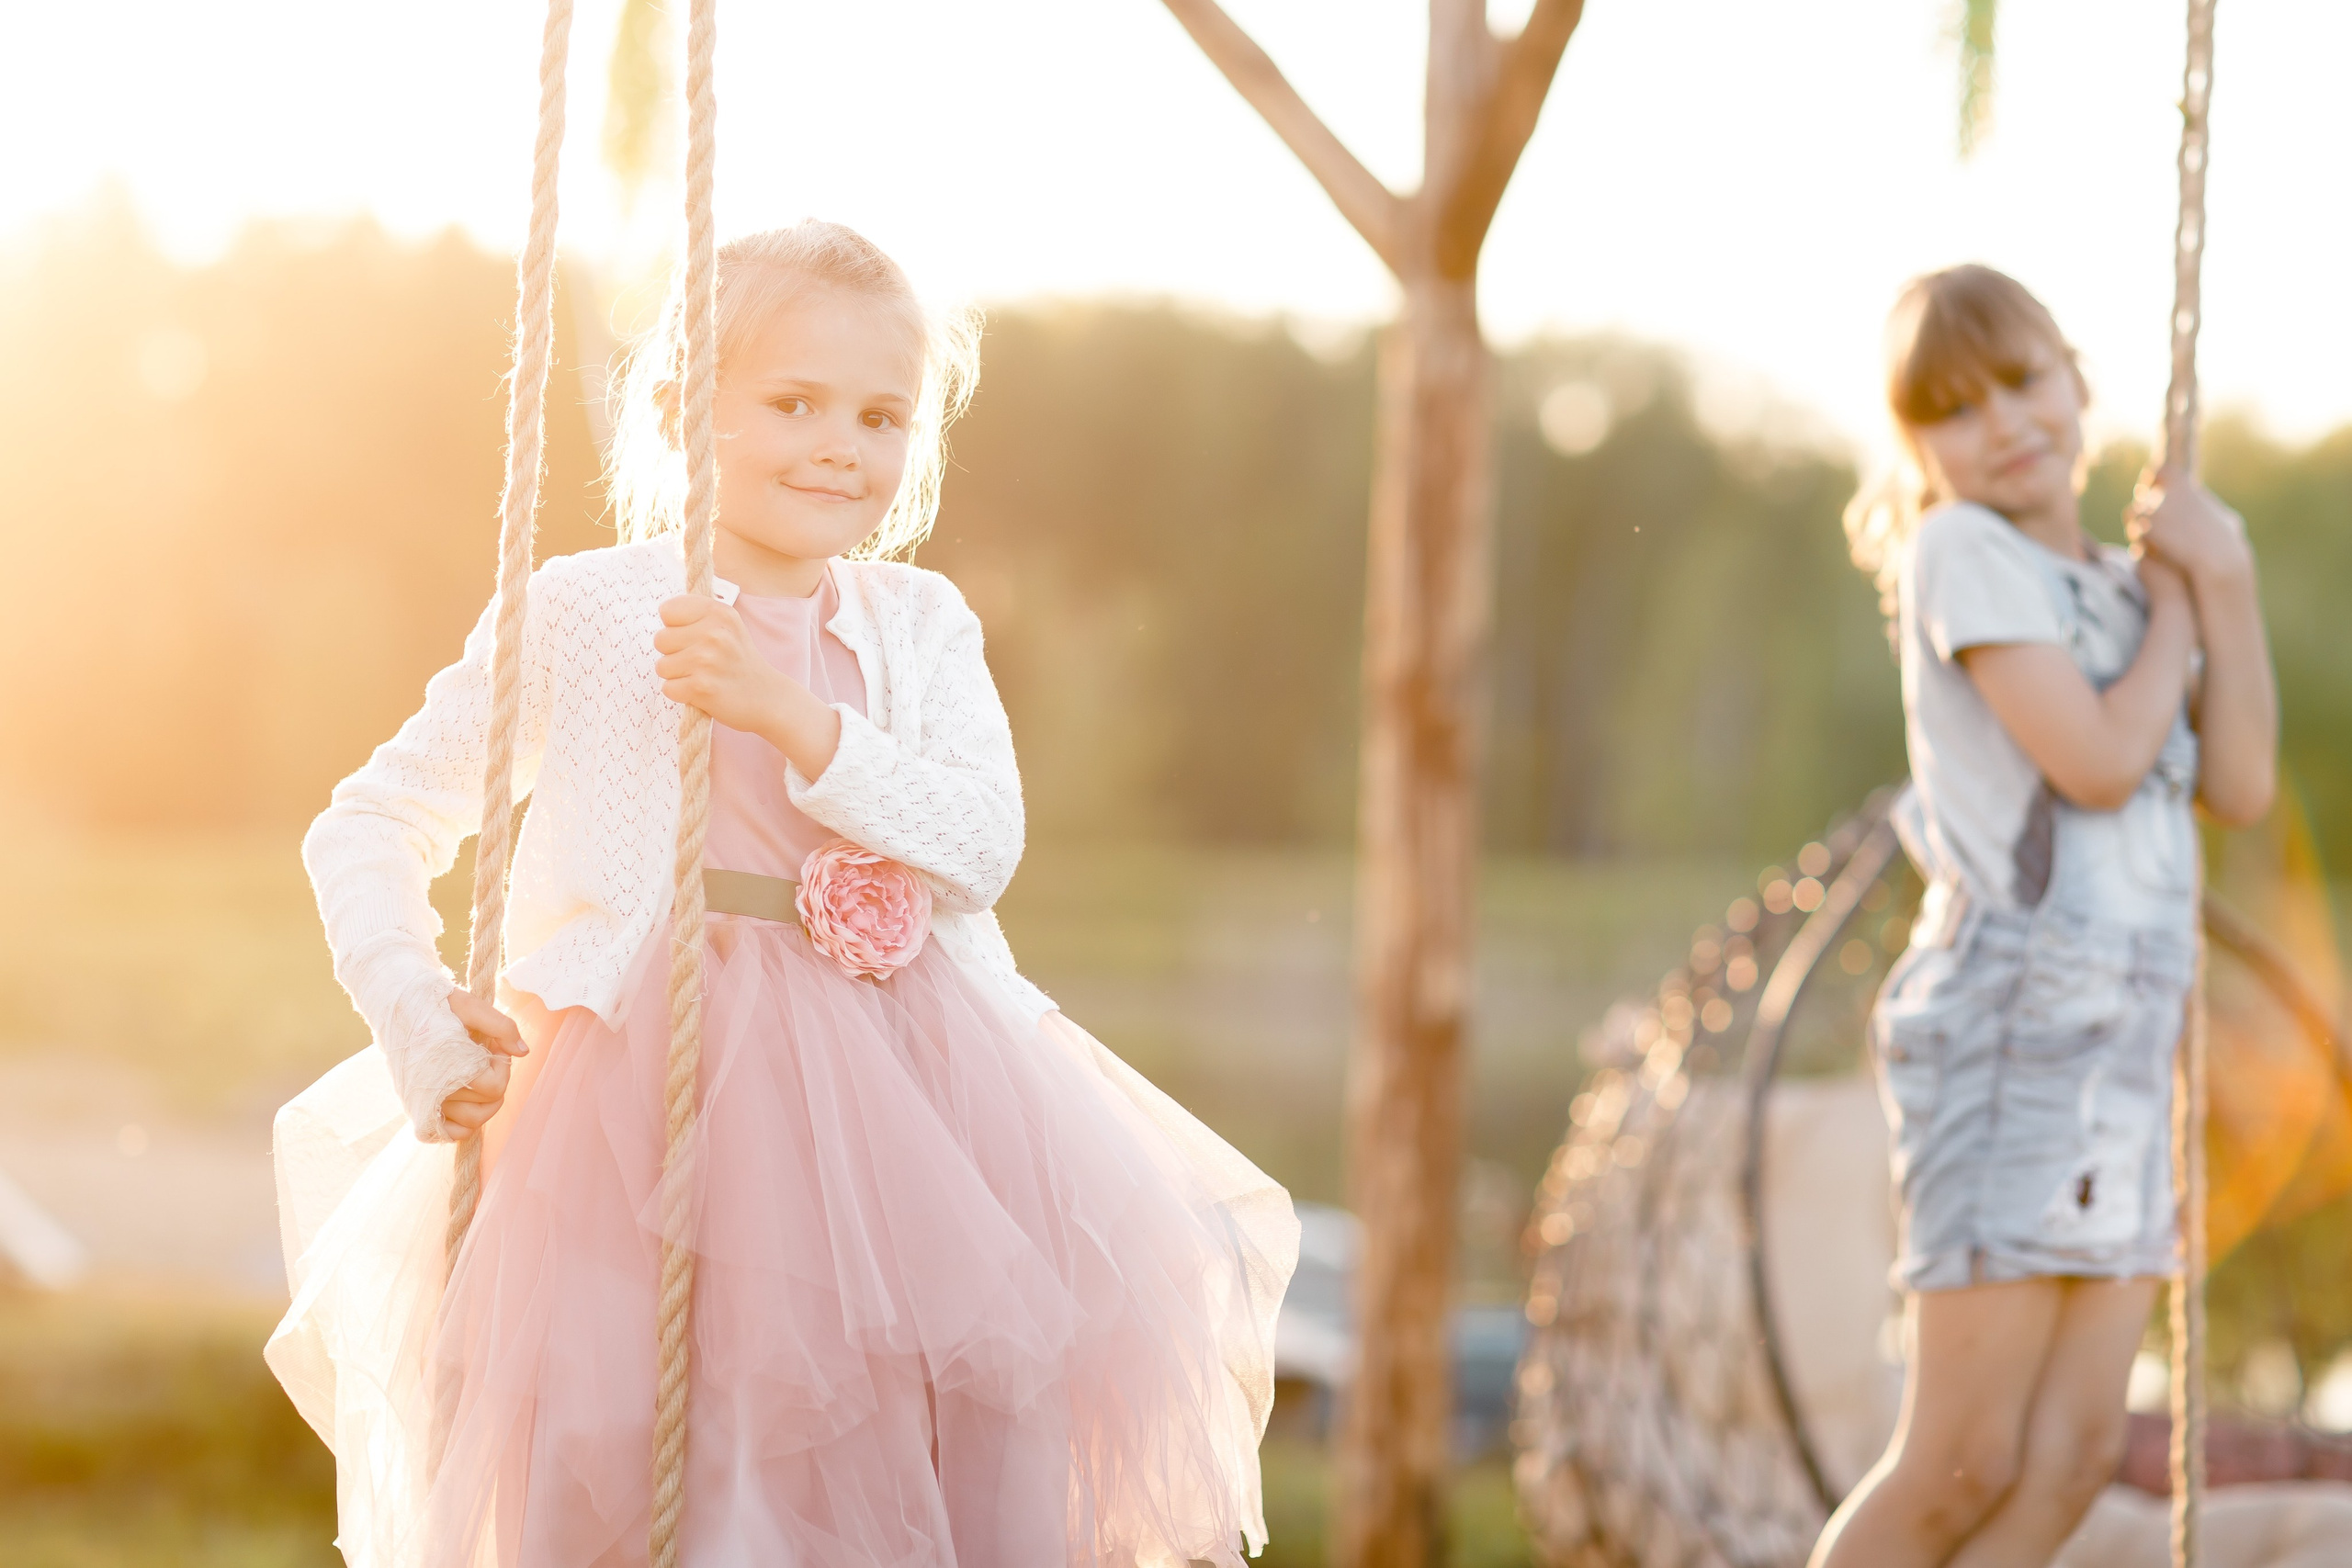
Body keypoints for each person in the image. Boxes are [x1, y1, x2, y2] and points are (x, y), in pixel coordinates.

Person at [266, 221, 1299, 1568]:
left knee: (919, 1441)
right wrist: (416, 1012)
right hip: (637, 1095)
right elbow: (369, 823)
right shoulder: (585, 612)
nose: (841, 446)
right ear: (683, 406)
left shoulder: (918, 625)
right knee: (658, 1461)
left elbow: (979, 844)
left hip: (914, 1106)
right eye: (795, 402)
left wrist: (796, 721)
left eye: (881, 415)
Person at [1810, 264, 2277, 1568]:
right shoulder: (1964, 552)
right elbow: (2099, 763)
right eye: (1952, 411)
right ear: (1915, 450)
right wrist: (2180, 603)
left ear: (2076, 377)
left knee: (2072, 1459)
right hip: (2010, 1023)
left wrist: (2218, 580)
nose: (2003, 423)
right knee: (1963, 1466)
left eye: (2021, 381)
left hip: (2128, 1041)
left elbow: (2234, 781)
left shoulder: (2135, 588)